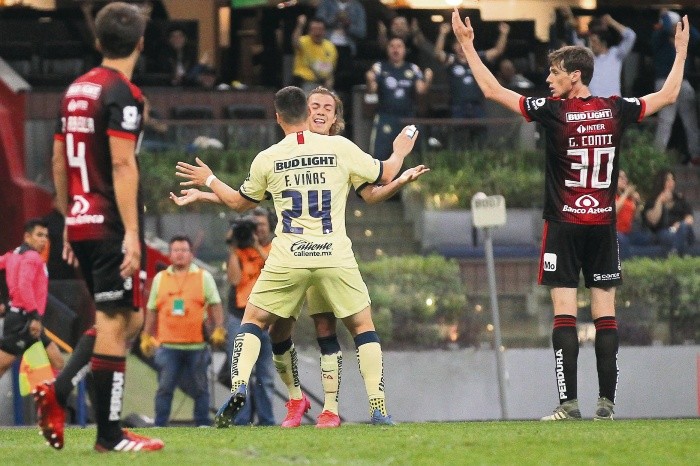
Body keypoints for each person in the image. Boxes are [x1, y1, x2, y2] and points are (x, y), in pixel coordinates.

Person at [451, 8, 691, 420]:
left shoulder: (554, 111)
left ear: (575, 76)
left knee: (564, 315)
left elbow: (492, 90)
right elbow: (668, 96)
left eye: (555, 72)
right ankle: (607, 406)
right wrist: (681, 51)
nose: (548, 79)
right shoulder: (615, 108)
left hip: (563, 225)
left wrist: (468, 45)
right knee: (605, 317)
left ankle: (568, 405)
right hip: (603, 226)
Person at [175, 87, 428, 428]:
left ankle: (242, 387)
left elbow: (240, 202)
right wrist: (399, 152)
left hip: (289, 257)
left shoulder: (269, 158)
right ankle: (375, 407)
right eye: (315, 106)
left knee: (255, 321)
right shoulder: (341, 149)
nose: (320, 111)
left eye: (327, 107)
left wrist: (208, 181)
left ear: (279, 117)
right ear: (306, 113)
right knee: (359, 327)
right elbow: (383, 174)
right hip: (332, 256)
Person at [34, 2, 164, 452]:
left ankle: (60, 389)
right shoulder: (121, 92)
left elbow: (58, 159)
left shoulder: (76, 89)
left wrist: (69, 218)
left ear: (97, 41)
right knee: (113, 320)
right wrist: (131, 234)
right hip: (110, 223)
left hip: (82, 219)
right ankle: (109, 436)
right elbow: (123, 164)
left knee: (130, 318)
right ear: (141, 43)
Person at [139, 235, 225, 427]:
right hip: (167, 345)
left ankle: (202, 423)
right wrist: (146, 335)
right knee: (164, 388)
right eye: (176, 250)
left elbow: (215, 304)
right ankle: (160, 424)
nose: (180, 254)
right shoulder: (160, 278)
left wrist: (219, 328)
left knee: (201, 388)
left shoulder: (204, 277)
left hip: (197, 345)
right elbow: (152, 308)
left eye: (184, 250)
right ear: (170, 254)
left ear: (191, 254)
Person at [220, 208, 276, 426]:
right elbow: (234, 280)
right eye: (254, 225)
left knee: (266, 376)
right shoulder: (239, 251)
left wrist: (256, 247)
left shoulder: (274, 248)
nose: (257, 229)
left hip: (267, 317)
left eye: (261, 225)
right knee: (241, 373)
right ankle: (242, 420)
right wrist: (233, 248)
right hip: (240, 316)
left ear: (270, 226)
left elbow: (276, 270)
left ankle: (266, 420)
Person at [0, 219, 65, 379]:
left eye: (46, 236)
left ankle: (50, 394)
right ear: (27, 236)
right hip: (24, 321)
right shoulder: (32, 257)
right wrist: (34, 317)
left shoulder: (13, 255)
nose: (43, 240)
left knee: (57, 362)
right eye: (39, 235)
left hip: (25, 320)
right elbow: (24, 286)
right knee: (2, 365)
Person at [434, 21, 509, 147]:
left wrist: (504, 34)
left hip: (477, 106)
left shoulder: (478, 59)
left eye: (464, 42)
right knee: (458, 142)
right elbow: (437, 53)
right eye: (458, 43)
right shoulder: (451, 60)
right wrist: (442, 34)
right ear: (454, 47)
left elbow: (498, 50)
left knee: (480, 142)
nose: (461, 46)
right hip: (458, 107)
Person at [366, 37, 432, 161]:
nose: (395, 49)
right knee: (380, 155)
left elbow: (421, 90)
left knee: (412, 156)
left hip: (408, 118)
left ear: (405, 50)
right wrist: (369, 80)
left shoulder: (413, 68)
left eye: (399, 46)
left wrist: (428, 80)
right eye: (392, 46)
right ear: (387, 49)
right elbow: (372, 89)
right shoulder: (379, 67)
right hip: (385, 117)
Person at [651, 9, 700, 165]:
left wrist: (685, 23)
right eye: (674, 25)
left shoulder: (682, 38)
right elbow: (665, 28)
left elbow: (697, 38)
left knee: (691, 122)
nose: (675, 27)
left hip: (682, 81)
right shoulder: (659, 36)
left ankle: (696, 155)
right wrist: (666, 17)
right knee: (665, 122)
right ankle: (655, 159)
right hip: (665, 82)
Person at [315, 0, 367, 92]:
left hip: (347, 48)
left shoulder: (357, 7)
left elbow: (361, 32)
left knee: (345, 79)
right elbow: (317, 25)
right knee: (324, 76)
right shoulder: (326, 3)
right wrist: (335, 18)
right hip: (326, 46)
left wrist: (347, 24)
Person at [642, 169, 695, 257]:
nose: (671, 182)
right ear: (661, 182)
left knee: (684, 228)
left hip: (682, 230)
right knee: (666, 235)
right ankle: (678, 254)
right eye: (667, 180)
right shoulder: (652, 201)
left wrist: (678, 226)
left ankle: (674, 253)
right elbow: (653, 221)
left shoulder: (680, 199)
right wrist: (659, 201)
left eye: (673, 179)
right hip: (663, 232)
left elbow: (690, 219)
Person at [588, 14, 636, 98]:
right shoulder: (588, 58)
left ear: (603, 42)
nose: (592, 45)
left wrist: (612, 22)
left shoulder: (615, 54)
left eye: (594, 41)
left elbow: (631, 36)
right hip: (594, 104)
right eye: (591, 41)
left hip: (613, 103)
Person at [292, 15, 338, 93]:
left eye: (320, 29)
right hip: (305, 83)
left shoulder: (330, 46)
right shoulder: (304, 41)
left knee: (335, 98)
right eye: (314, 29)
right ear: (309, 31)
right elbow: (295, 42)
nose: (317, 32)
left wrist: (329, 85)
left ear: (324, 31)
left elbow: (331, 71)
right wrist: (300, 25)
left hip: (323, 84)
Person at [615, 170, 652, 259]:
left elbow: (636, 217)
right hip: (615, 232)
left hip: (628, 232)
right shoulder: (610, 195)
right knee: (623, 241)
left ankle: (633, 254)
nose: (624, 180)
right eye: (621, 177)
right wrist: (626, 193)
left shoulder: (629, 198)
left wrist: (637, 203)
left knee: (649, 238)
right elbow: (614, 211)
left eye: (625, 177)